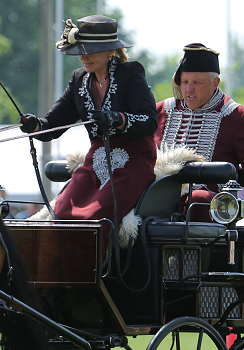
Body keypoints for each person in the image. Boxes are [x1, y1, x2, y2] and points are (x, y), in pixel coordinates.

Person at [18, 15, 158, 224]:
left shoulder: (130, 73)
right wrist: (35, 125)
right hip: (94, 163)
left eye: (89, 50)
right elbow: (52, 126)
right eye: (80, 50)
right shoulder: (78, 80)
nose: (83, 56)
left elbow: (149, 121)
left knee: (97, 215)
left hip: (133, 162)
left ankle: (99, 257)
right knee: (62, 212)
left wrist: (117, 119)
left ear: (111, 50)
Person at [155, 43, 244, 223]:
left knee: (200, 198)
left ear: (215, 83)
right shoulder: (163, 110)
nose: (188, 89)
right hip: (156, 197)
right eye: (185, 82)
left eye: (197, 83)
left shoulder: (236, 116)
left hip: (208, 210)